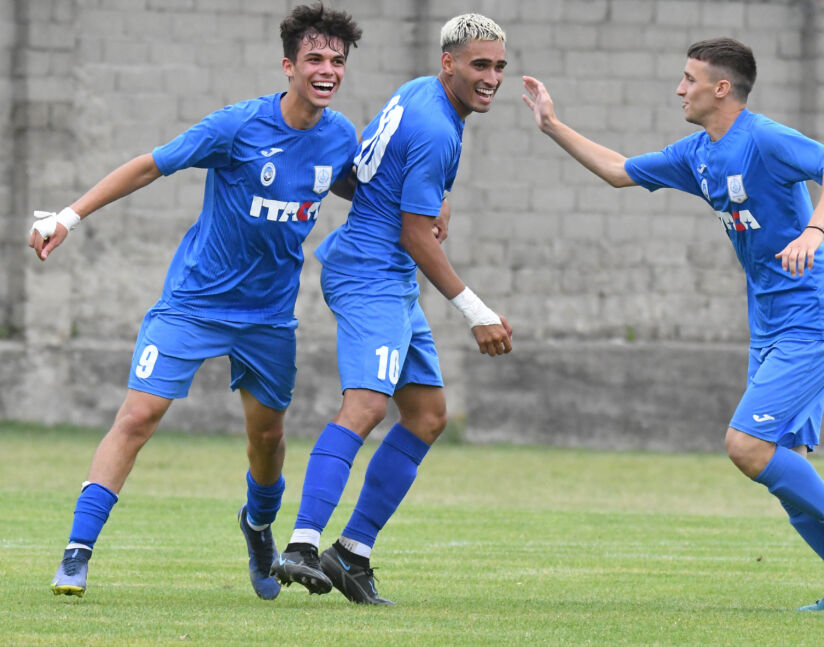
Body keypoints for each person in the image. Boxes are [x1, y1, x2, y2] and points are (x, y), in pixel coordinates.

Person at [522, 38, 824, 612]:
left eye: (688, 78)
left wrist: (813, 233)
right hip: (769, 327)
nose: (678, 88)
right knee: (788, 473)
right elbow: (619, 171)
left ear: (722, 89)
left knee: (746, 445)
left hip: (812, 323)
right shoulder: (699, 153)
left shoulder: (762, 138)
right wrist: (553, 126)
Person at [35, 3, 362, 600]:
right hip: (194, 304)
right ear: (288, 65)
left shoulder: (341, 135)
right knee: (137, 417)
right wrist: (70, 216)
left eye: (337, 61)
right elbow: (148, 167)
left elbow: (349, 180)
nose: (327, 69)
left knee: (266, 439)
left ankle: (258, 526)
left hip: (269, 318)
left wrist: (425, 202)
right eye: (315, 58)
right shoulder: (237, 127)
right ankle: (77, 553)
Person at [270, 13, 512, 606]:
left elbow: (358, 175)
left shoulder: (416, 92)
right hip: (370, 274)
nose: (492, 78)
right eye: (480, 65)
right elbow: (413, 235)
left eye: (500, 66)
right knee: (367, 404)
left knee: (427, 414)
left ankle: (351, 553)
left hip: (390, 277)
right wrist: (475, 311)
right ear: (448, 62)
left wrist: (435, 201)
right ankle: (302, 544)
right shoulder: (437, 125)